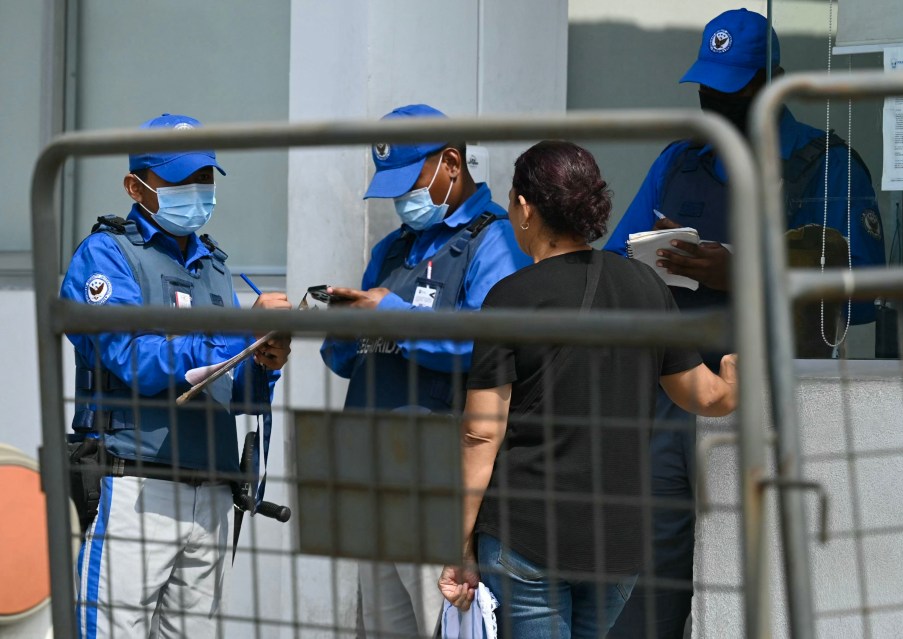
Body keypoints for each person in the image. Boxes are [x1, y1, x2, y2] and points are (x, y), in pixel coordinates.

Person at [603, 9, 885, 638]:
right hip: (674, 397)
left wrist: (742, 272)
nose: (715, 104)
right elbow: (618, 263)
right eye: (707, 88)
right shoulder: (681, 162)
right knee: (651, 587)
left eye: (732, 91)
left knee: (751, 591)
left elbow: (858, 298)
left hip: (777, 401)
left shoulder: (826, 165)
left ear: (774, 82)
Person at [438, 141, 739, 639]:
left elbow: (480, 435)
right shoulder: (646, 288)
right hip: (617, 542)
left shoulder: (510, 298)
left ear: (525, 208)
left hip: (526, 534)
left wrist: (461, 541)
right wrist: (735, 376)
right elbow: (704, 396)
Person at [61, 113, 292, 638]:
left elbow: (231, 383)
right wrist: (234, 333)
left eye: (204, 179)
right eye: (180, 180)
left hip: (210, 489)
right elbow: (129, 358)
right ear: (134, 187)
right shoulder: (107, 253)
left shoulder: (213, 265)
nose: (196, 191)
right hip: (133, 481)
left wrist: (263, 359)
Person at [320, 103, 530, 637]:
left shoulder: (495, 240)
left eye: (408, 182)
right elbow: (347, 360)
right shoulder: (392, 249)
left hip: (437, 480)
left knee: (440, 624)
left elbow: (492, 344)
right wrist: (344, 329)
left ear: (452, 165)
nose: (400, 201)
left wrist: (389, 315)